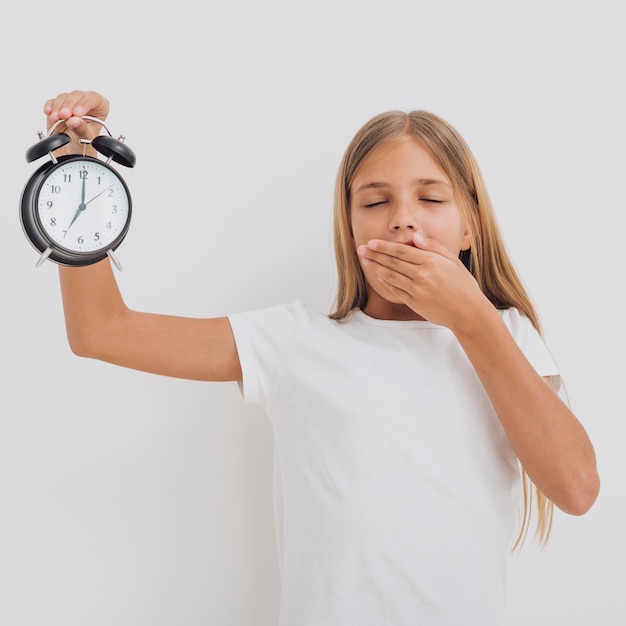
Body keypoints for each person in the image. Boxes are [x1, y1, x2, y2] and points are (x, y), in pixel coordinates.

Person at [41, 90, 599, 626]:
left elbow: (576, 489)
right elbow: (101, 331)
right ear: (349, 223)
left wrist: (473, 319)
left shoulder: (506, 337)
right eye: (376, 202)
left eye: (430, 198)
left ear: (470, 225)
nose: (403, 218)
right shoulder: (293, 341)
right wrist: (76, 172)